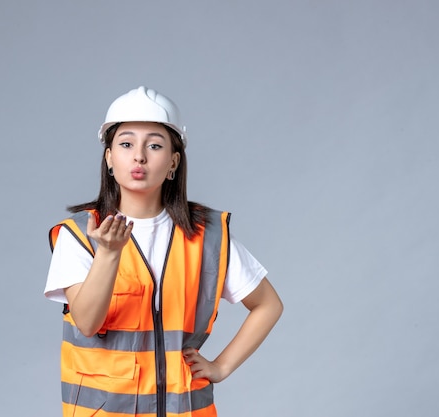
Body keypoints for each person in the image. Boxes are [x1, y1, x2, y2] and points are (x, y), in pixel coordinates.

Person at [44, 86, 283, 417]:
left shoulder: (207, 237)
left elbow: (268, 305)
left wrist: (221, 366)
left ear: (173, 162)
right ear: (109, 158)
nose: (139, 156)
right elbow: (86, 321)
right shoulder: (80, 236)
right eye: (126, 144)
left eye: (154, 145)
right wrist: (109, 254)